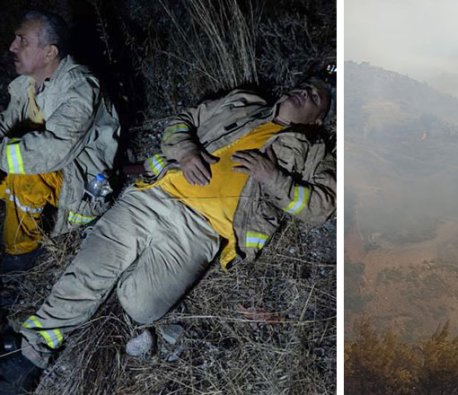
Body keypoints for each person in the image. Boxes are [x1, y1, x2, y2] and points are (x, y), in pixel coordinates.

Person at [7, 74, 335, 384]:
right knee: (90, 271)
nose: (304, 92)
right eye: (304, 85)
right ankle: (32, 349)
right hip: (155, 196)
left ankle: (117, 267)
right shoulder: (245, 101)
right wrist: (186, 150)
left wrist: (272, 176)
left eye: (314, 95)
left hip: (199, 232)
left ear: (318, 118)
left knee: (141, 306)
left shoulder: (315, 152)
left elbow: (321, 207)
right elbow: (181, 121)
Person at [0, 10, 121, 272]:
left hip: (85, 188)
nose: (13, 47)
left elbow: (53, 148)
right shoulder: (26, 85)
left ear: (49, 53)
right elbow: (6, 125)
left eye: (22, 41)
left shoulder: (81, 88)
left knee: (27, 172)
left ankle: (19, 255)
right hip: (57, 172)